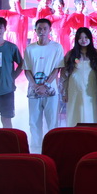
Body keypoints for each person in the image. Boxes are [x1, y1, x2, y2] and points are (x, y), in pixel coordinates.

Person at [23, 18, 64, 149]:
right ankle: (36, 147)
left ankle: (52, 147)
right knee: (34, 121)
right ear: (35, 30)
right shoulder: (30, 48)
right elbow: (27, 70)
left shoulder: (57, 47)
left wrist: (46, 85)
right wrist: (35, 86)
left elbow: (57, 69)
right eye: (39, 29)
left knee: (52, 121)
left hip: (51, 91)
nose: (42, 31)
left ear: (50, 30)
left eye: (45, 28)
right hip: (34, 91)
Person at [61, 27, 97, 126]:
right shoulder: (71, 54)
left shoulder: (96, 54)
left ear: (90, 38)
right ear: (77, 39)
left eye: (86, 37)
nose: (83, 40)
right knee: (75, 112)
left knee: (90, 112)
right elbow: (64, 74)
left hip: (91, 89)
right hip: (74, 89)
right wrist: (64, 92)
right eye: (81, 38)